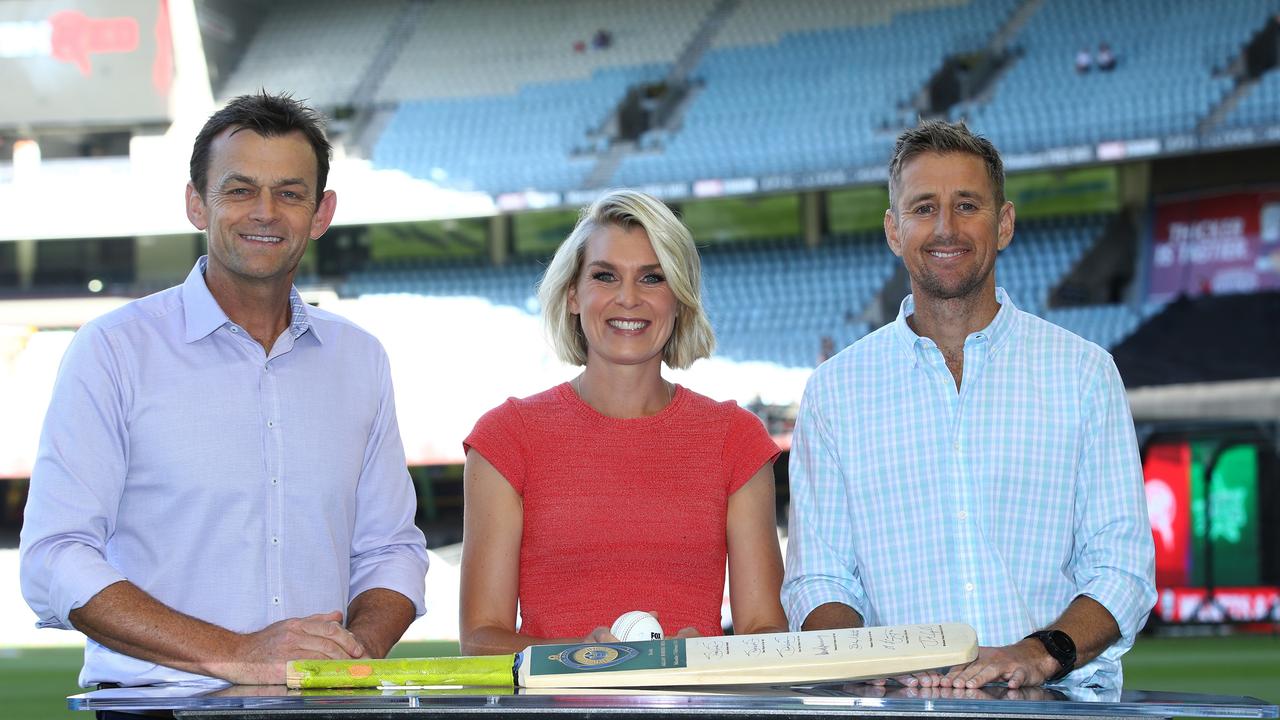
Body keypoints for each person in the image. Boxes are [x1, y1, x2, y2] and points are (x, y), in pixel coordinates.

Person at [19, 92, 429, 689]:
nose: (265, 211)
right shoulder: (112, 351)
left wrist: (349, 657)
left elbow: (391, 549)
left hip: (320, 706)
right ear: (196, 203)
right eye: (239, 190)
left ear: (321, 213)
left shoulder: (360, 359)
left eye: (290, 192)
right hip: (158, 705)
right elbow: (55, 555)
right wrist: (236, 654)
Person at [781, 121, 1155, 690]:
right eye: (924, 207)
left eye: (967, 205)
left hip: (1054, 700)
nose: (946, 228)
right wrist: (864, 661)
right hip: (902, 704)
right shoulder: (836, 390)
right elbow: (819, 580)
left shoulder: (1083, 372)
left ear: (1003, 223)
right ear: (893, 229)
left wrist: (1039, 652)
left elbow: (1123, 568)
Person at [459, 189, 787, 655]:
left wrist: (704, 656)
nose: (628, 298)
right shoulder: (508, 437)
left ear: (680, 298)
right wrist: (582, 658)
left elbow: (766, 633)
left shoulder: (734, 438)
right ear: (573, 294)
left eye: (652, 278)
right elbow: (479, 638)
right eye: (605, 276)